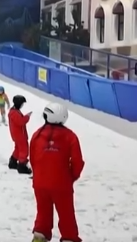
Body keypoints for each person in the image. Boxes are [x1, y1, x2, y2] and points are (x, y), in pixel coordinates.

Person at [30, 103, 84, 242]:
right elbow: (77, 162)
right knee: (66, 215)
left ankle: (39, 237)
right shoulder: (70, 136)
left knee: (43, 213)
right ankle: (69, 238)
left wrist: (39, 175)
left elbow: (33, 159)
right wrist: (71, 177)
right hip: (61, 184)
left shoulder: (37, 135)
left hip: (40, 183)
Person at [8, 95, 32, 174]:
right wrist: (27, 117)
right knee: (24, 149)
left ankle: (13, 161)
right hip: (19, 135)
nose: (22, 105)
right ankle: (22, 165)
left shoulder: (14, 111)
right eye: (22, 104)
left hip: (17, 134)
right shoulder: (14, 113)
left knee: (18, 148)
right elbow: (21, 122)